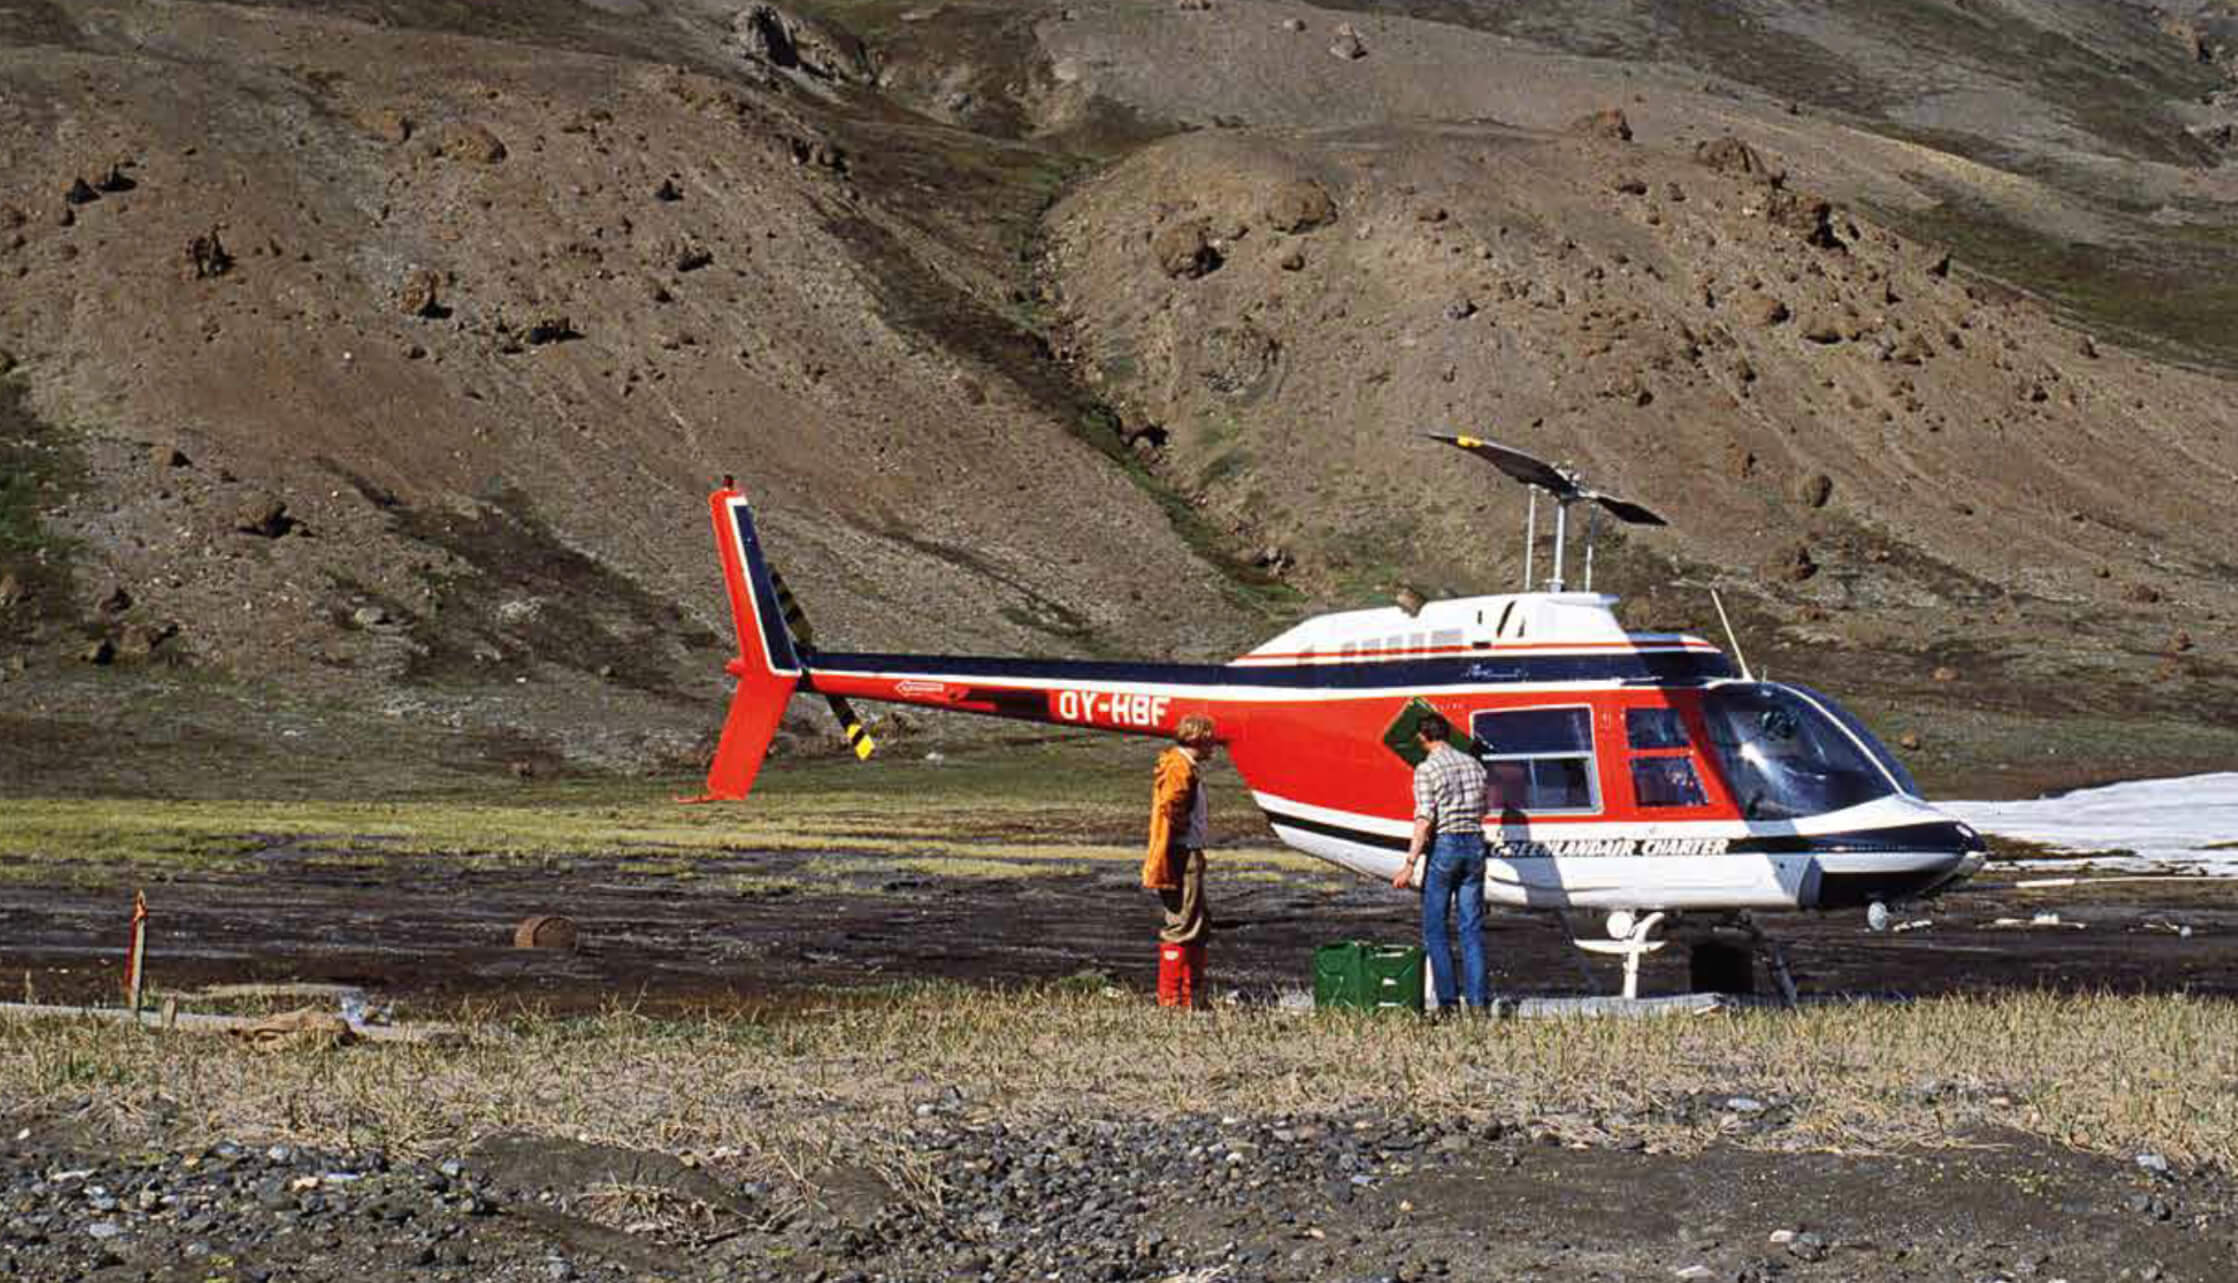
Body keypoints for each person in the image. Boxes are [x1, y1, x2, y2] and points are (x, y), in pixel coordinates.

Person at [1390, 711, 1491, 1014]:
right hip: (1475, 844)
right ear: (1446, 734)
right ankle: (1478, 1003)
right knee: (1471, 928)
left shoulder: (1426, 768)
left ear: (1423, 737)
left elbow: (1424, 819)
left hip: (1445, 845)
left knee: (1435, 928)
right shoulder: (1474, 765)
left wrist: (1409, 863)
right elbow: (1483, 809)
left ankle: (1448, 1003)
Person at [1143, 713, 1219, 1008]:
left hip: (1188, 849)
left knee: (1197, 922)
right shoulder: (1179, 767)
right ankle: (1173, 998)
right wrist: (1179, 836)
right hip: (1182, 851)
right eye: (1210, 739)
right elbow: (1170, 805)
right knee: (1182, 922)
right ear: (1198, 738)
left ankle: (1190, 994)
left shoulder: (1186, 766)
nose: (1214, 745)